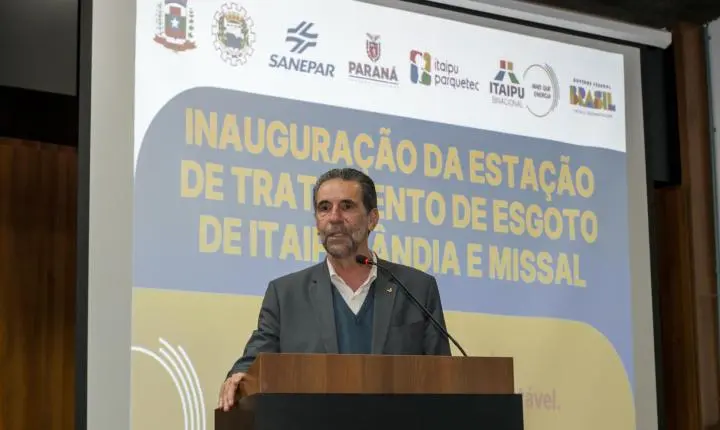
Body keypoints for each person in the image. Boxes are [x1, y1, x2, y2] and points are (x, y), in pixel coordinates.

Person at [217, 167, 451, 411]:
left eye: (347, 206)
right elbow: (254, 359)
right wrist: (240, 375)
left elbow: (445, 378)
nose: (334, 217)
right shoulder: (285, 294)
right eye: (324, 208)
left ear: (372, 219)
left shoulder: (416, 288)